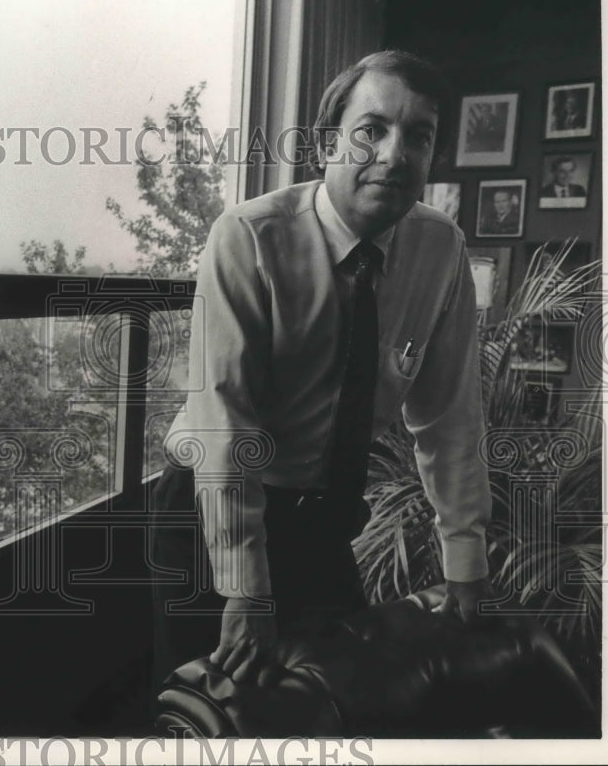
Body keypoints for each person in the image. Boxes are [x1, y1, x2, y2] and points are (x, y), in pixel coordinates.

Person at [150, 50, 493, 693]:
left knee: (341, 700)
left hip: (323, 519)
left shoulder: (440, 247)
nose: (395, 153)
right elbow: (225, 426)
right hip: (210, 508)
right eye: (372, 129)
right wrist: (245, 590)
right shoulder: (248, 238)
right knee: (217, 713)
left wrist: (465, 559)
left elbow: (450, 419)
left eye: (419, 135)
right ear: (325, 142)